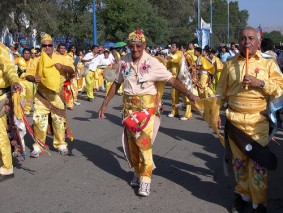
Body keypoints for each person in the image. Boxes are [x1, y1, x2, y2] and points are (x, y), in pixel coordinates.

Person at [98, 29, 198, 197]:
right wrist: (104, 105)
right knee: (132, 146)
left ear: (144, 45)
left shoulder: (153, 63)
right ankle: (137, 173)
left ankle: (146, 179)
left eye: (138, 45)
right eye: (132, 46)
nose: (135, 49)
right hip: (128, 111)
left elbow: (171, 80)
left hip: (146, 112)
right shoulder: (124, 62)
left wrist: (189, 93)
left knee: (144, 144)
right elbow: (116, 84)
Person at [216, 27, 283, 213]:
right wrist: (214, 113)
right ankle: (243, 196)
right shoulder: (229, 64)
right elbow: (221, 92)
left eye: (251, 38)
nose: (247, 42)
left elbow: (280, 88)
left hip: (258, 122)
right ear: (238, 41)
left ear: (259, 42)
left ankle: (258, 202)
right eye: (243, 38)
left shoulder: (268, 64)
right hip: (235, 120)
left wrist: (260, 83)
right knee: (239, 163)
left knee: (258, 164)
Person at [26, 34, 75, 157]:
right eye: (44, 45)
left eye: (49, 45)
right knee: (39, 121)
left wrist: (62, 67)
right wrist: (34, 78)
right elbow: (28, 75)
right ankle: (38, 146)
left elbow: (72, 70)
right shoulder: (36, 60)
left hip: (57, 95)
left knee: (58, 121)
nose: (47, 47)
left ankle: (61, 144)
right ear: (41, 47)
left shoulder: (61, 58)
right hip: (41, 95)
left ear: (53, 46)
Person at [0, 42, 22, 181]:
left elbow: (9, 68)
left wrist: (14, 80)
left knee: (0, 134)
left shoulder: (1, 50)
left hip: (0, 96)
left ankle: (7, 167)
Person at [167, 43, 193, 120]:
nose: (171, 48)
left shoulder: (178, 54)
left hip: (182, 79)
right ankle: (175, 111)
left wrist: (168, 57)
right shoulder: (173, 55)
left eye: (173, 47)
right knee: (174, 96)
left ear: (177, 48)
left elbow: (174, 58)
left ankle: (188, 114)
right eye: (171, 46)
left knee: (185, 96)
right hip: (174, 79)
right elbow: (167, 65)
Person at [16, 48, 34, 115]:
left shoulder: (33, 61)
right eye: (25, 53)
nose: (27, 55)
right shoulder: (18, 59)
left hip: (30, 82)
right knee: (22, 95)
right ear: (23, 54)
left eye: (28, 53)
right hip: (21, 81)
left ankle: (27, 110)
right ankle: (21, 109)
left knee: (30, 96)